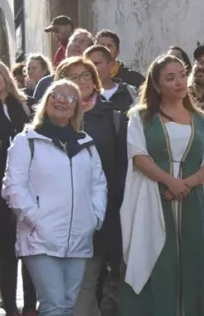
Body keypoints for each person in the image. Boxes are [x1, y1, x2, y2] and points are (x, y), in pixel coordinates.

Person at [119, 54, 204, 315]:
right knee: (159, 260)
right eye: (170, 78)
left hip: (196, 201)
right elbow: (138, 155)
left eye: (182, 74)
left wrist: (188, 184)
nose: (179, 82)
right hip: (154, 197)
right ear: (157, 86)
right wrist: (170, 181)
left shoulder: (202, 119)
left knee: (197, 260)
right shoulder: (141, 117)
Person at [2, 79, 107, 316]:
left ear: (76, 110)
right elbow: (13, 187)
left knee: (68, 305)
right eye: (55, 95)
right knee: (54, 305)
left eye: (69, 97)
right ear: (45, 102)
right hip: (40, 238)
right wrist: (36, 219)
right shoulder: (26, 141)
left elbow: (98, 184)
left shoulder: (86, 145)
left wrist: (94, 217)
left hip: (79, 236)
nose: (61, 100)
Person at [55, 57, 127, 316]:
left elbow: (123, 166)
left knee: (113, 283)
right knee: (83, 285)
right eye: (73, 77)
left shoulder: (113, 117)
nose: (82, 82)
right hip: (70, 216)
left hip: (111, 214)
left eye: (86, 75)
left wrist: (115, 206)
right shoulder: (55, 121)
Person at [0, 58, 37, 316]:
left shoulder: (23, 103)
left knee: (31, 243)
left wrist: (3, 142)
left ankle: (31, 304)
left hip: (29, 182)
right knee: (4, 246)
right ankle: (9, 304)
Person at [32, 28, 94, 104]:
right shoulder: (46, 83)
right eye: (74, 41)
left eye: (82, 42)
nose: (77, 44)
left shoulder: (92, 81)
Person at [84, 45, 137, 114]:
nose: (93, 69)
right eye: (89, 65)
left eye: (96, 63)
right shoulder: (82, 96)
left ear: (110, 65)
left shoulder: (130, 92)